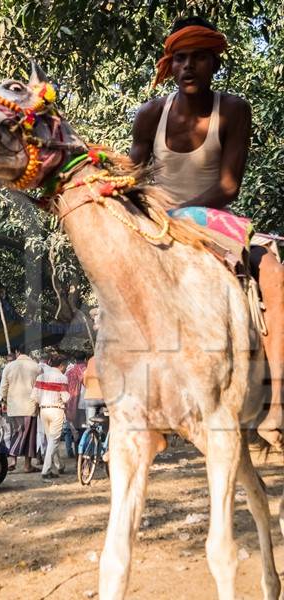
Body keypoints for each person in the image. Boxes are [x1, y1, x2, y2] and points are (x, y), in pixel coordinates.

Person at [130, 15, 284, 448]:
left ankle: (276, 405)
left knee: (272, 270)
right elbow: (132, 177)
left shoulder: (233, 110)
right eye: (180, 58)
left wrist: (184, 213)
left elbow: (229, 185)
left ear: (216, 62)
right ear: (170, 65)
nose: (189, 66)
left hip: (213, 216)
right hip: (158, 221)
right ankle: (127, 394)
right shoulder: (150, 115)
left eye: (199, 57)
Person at [0, 344, 41, 473]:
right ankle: (27, 465)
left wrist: (3, 401)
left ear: (17, 352)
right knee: (29, 436)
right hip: (30, 406)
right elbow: (39, 387)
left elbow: (3, 387)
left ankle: (13, 460)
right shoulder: (36, 367)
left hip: (13, 406)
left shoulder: (9, 366)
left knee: (16, 433)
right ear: (29, 352)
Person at [31, 355, 70, 479]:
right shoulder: (62, 378)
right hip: (56, 410)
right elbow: (65, 398)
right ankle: (46, 469)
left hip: (43, 411)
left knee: (52, 440)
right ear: (62, 365)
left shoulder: (40, 377)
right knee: (54, 440)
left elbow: (34, 397)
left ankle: (59, 465)